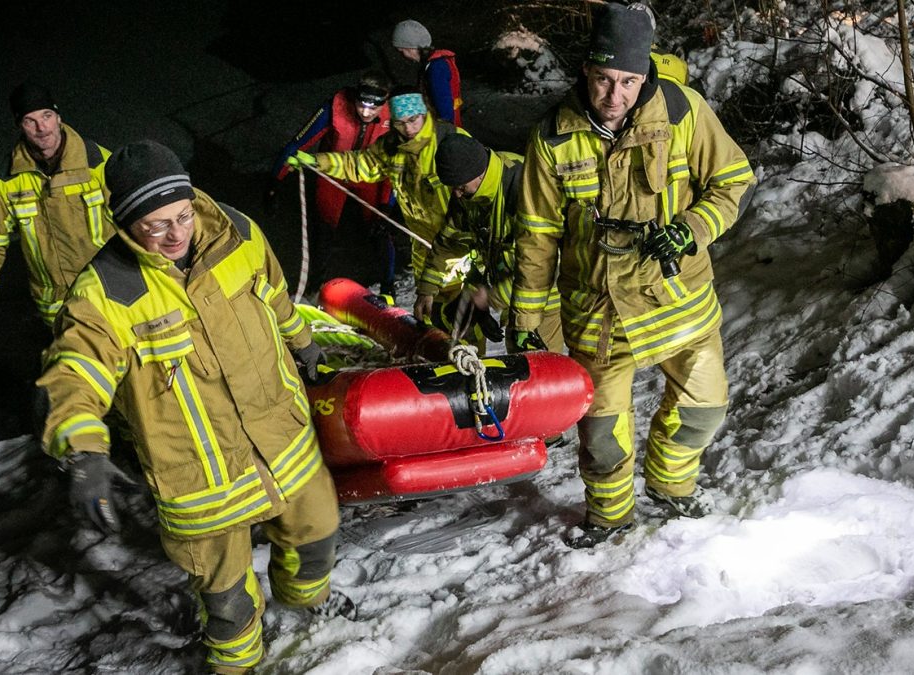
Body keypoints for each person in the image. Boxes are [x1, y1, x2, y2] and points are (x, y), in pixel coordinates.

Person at [35, 140, 355, 674]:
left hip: (282, 437)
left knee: (317, 535)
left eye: (182, 215)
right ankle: (236, 666)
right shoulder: (105, 292)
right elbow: (73, 372)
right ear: (124, 223)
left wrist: (304, 344)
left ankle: (306, 602)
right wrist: (83, 452)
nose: (176, 234)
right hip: (197, 476)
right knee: (227, 600)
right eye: (156, 226)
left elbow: (274, 294)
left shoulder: (238, 233)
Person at [510, 3, 756, 548]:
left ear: (644, 75)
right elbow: (536, 235)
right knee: (602, 435)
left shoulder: (683, 111)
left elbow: (734, 181)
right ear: (586, 73)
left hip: (678, 299)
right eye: (602, 79)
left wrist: (692, 227)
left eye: (627, 81)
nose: (614, 95)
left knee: (705, 410)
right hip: (599, 310)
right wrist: (526, 319)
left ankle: (671, 487)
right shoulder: (552, 137)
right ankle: (609, 519)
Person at [288, 88, 472, 316]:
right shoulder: (392, 146)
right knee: (433, 310)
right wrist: (318, 161)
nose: (408, 129)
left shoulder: (450, 142)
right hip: (423, 244)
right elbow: (361, 164)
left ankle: (470, 349)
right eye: (401, 122)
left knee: (463, 312)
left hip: (458, 242)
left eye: (413, 120)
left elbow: (479, 193)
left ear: (425, 113)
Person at [0, 82, 115, 334]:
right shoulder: (6, 180)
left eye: (46, 116)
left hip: (107, 292)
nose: (41, 128)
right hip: (55, 308)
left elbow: (137, 222)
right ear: (19, 127)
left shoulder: (97, 162)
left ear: (58, 117)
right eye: (29, 121)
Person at [416, 134, 564, 353]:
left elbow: (545, 264)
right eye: (452, 188)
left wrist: (490, 297)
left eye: (461, 187)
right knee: (518, 358)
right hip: (511, 287)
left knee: (538, 370)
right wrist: (427, 289)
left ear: (480, 173)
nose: (456, 195)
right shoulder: (467, 192)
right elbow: (449, 241)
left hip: (542, 297)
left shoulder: (524, 188)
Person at [267, 72, 396, 295]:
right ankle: (314, 286)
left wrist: (387, 205)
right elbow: (297, 144)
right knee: (323, 228)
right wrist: (274, 183)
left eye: (373, 108)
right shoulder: (334, 109)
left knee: (381, 229)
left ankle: (388, 286)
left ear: (383, 104)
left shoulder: (394, 119)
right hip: (333, 173)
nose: (365, 112)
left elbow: (395, 165)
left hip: (370, 175)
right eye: (361, 104)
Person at [392, 19, 463, 127]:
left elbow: (444, 108)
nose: (402, 56)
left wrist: (443, 132)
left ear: (411, 48)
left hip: (445, 127)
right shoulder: (437, 62)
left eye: (402, 51)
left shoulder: (436, 68)